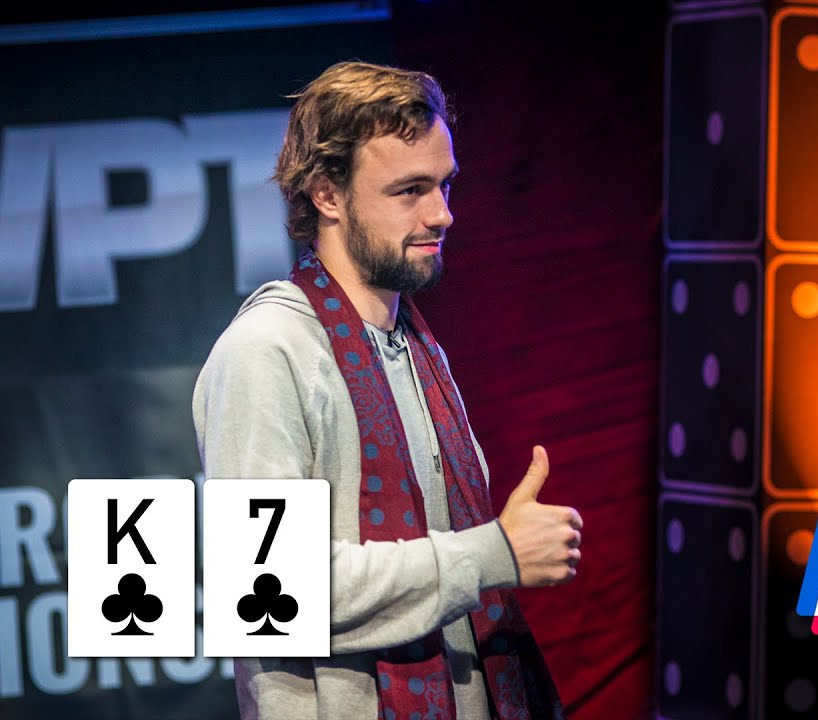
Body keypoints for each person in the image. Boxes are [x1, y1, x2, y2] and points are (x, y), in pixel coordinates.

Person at [193, 60, 580, 720]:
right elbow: (267, 591)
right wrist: (493, 553)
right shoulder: (268, 351)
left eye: (444, 184)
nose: (442, 214)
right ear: (328, 195)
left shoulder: (418, 345)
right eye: (409, 191)